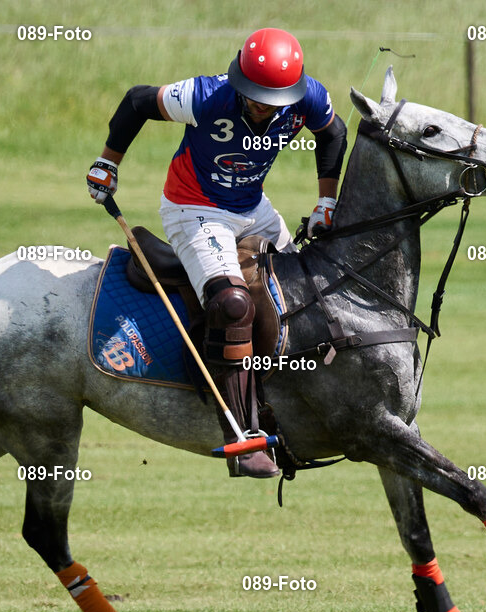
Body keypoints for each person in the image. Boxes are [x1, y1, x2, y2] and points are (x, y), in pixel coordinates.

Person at [87, 27, 347, 478]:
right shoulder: (205, 95)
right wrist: (107, 162)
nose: (263, 104)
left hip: (253, 206)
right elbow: (136, 101)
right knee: (231, 304)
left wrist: (326, 201)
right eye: (254, 95)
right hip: (195, 208)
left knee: (306, 286)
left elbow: (334, 133)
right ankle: (242, 435)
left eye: (273, 98)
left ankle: (300, 397)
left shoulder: (308, 98)